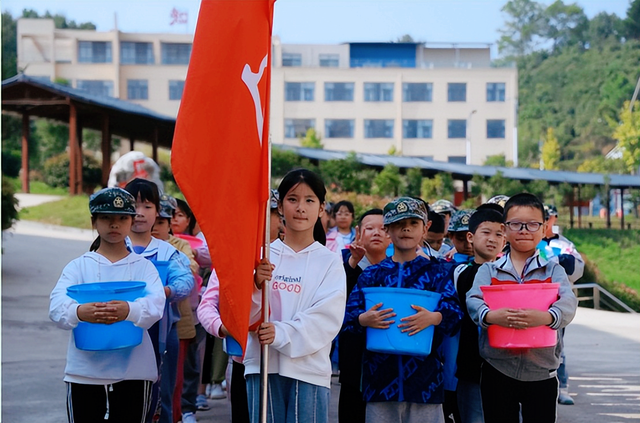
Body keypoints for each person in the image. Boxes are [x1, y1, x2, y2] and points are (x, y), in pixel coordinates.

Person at [49, 187, 165, 423]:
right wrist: (79, 311)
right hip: (85, 372)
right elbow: (57, 305)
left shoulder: (143, 267)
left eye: (122, 218)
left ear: (132, 221)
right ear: (94, 222)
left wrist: (129, 310)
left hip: (134, 370)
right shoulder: (78, 266)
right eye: (106, 218)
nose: (115, 225)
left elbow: (156, 305)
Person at [343, 197, 462, 423]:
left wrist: (434, 317)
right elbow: (347, 319)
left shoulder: (437, 273)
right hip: (379, 383)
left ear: (425, 228)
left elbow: (455, 314)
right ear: (387, 230)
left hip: (425, 383)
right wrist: (363, 319)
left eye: (413, 223)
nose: (406, 228)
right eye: (398, 224)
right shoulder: (371, 274)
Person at [466, 193, 578, 423]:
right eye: (516, 224)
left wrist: (547, 317)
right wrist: (490, 315)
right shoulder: (490, 270)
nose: (524, 230)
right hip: (497, 367)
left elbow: (568, 303)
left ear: (544, 228)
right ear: (505, 229)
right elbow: (473, 299)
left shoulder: (552, 270)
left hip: (542, 371)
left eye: (532, 224)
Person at [249, 168, 347, 423]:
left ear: (322, 208)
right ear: (280, 206)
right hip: (263, 364)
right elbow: (241, 314)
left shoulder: (329, 261)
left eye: (309, 200)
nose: (300, 208)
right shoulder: (261, 256)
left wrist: (281, 333)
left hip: (308, 369)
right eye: (292, 199)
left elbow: (327, 318)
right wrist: (255, 285)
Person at [124, 179, 194, 423]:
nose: (140, 214)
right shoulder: (113, 246)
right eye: (134, 206)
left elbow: (185, 281)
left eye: (148, 206)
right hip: (122, 331)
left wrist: (165, 290)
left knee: (161, 394)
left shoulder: (167, 252)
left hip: (163, 332)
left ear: (158, 211)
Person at [150, 195, 201, 423]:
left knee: (173, 380)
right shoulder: (133, 246)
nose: (155, 228)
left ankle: (177, 416)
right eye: (152, 223)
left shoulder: (178, 247)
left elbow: (192, 266)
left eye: (160, 222)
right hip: (143, 325)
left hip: (176, 324)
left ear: (169, 222)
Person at [338, 208, 391, 423]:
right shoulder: (344, 262)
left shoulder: (400, 269)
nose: (377, 233)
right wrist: (353, 263)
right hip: (355, 361)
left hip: (387, 362)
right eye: (370, 228)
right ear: (358, 233)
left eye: (383, 228)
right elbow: (338, 301)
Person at [455, 208, 505, 423]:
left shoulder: (510, 273)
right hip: (471, 366)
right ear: (470, 237)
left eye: (499, 234)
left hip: (506, 366)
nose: (492, 239)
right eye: (486, 232)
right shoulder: (460, 273)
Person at [543, 204, 585, 406]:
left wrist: (563, 260)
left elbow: (577, 268)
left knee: (558, 345)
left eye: (547, 217)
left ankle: (562, 387)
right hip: (534, 300)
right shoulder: (527, 241)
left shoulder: (564, 244)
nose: (544, 221)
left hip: (558, 301)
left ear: (554, 219)